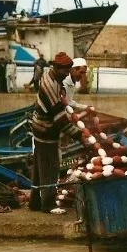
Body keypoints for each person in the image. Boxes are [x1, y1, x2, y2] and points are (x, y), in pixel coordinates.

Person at [29, 52, 81, 213]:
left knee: (39, 168)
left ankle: (34, 202)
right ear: (56, 68)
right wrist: (79, 135)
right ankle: (48, 204)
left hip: (38, 128)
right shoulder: (50, 85)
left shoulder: (50, 76)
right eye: (65, 71)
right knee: (51, 168)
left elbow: (61, 99)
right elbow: (59, 117)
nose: (67, 74)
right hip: (46, 131)